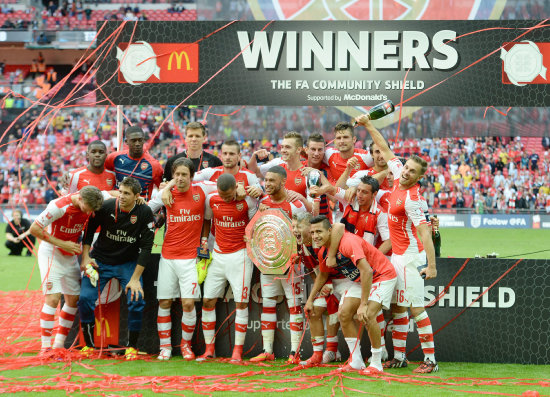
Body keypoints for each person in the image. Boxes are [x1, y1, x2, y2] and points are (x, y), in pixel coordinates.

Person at [356, 113, 439, 373]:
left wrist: (432, 266)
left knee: (416, 309)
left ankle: (431, 361)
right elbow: (384, 147)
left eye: (412, 171)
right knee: (398, 307)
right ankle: (400, 357)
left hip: (410, 258)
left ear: (418, 177)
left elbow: (425, 233)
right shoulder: (397, 173)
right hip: (397, 257)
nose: (405, 173)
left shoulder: (413, 199)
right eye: (406, 168)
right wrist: (369, 124)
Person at [306, 216, 397, 374]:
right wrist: (310, 300)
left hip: (382, 275)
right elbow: (322, 275)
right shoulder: (323, 251)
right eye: (312, 232)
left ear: (330, 231)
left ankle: (376, 363)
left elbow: (367, 270)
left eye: (319, 231)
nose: (315, 236)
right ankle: (356, 361)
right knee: (344, 313)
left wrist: (363, 304)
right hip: (362, 280)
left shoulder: (348, 242)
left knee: (367, 314)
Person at [79, 177, 154, 360]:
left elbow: (146, 248)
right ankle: (89, 346)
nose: (121, 196)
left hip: (127, 263)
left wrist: (135, 279)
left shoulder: (145, 212)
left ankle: (132, 347)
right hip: (100, 261)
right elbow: (88, 232)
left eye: (127, 193)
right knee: (84, 299)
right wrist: (86, 256)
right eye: (120, 191)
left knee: (136, 300)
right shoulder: (106, 207)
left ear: (137, 196)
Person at [148, 158, 216, 361]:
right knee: (165, 302)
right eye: (176, 174)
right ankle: (165, 348)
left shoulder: (203, 190)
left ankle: (186, 346)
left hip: (191, 258)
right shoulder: (166, 194)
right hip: (168, 255)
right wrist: (167, 188)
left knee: (188, 303)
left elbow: (207, 217)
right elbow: (148, 209)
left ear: (192, 176)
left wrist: (203, 241)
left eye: (184, 174)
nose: (180, 178)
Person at [29, 186, 105, 355]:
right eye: (88, 208)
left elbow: (111, 193)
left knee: (73, 299)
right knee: (53, 298)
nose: (90, 212)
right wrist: (62, 243)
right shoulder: (58, 206)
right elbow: (34, 229)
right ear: (80, 199)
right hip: (51, 252)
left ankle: (58, 346)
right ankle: (45, 348)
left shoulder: (91, 199)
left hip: (69, 254)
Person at [198, 173, 258, 362]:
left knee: (240, 303)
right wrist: (204, 241)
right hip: (217, 255)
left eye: (228, 195)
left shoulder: (247, 200)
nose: (225, 199)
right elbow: (207, 220)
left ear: (235, 189)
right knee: (208, 301)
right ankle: (209, 350)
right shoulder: (211, 199)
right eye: (222, 195)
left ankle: (237, 351)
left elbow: (254, 224)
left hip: (240, 256)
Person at [250, 165, 307, 363]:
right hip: (268, 264)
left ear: (283, 182)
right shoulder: (262, 202)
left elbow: (304, 233)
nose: (267, 184)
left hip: (291, 264)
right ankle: (268, 351)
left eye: (272, 181)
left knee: (294, 306)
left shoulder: (295, 205)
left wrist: (299, 254)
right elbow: (255, 231)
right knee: (267, 304)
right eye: (266, 180)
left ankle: (294, 353)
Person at [292, 212, 341, 366]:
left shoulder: (325, 242)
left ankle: (332, 350)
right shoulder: (303, 246)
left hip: (343, 282)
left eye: (298, 227)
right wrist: (320, 289)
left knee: (334, 307)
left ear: (309, 227)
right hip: (325, 282)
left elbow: (340, 266)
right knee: (313, 310)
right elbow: (314, 272)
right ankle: (317, 355)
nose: (295, 231)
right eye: (293, 227)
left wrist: (330, 285)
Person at [249, 132, 311, 210]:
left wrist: (302, 198)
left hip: (297, 220)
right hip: (277, 218)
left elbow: (314, 212)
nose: (283, 150)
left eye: (287, 147)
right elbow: (254, 172)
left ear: (298, 149)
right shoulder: (277, 164)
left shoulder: (308, 173)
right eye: (282, 147)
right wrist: (254, 157)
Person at [105, 126, 163, 201]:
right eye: (133, 140)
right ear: (126, 142)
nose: (137, 144)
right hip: (117, 207)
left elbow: (163, 190)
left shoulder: (154, 165)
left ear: (144, 140)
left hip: (140, 210)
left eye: (140, 140)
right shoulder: (114, 158)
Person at [193, 138, 262, 197]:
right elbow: (189, 178)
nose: (227, 157)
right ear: (221, 155)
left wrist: (258, 191)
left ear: (239, 156)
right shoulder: (210, 172)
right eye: (225, 153)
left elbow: (259, 192)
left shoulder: (249, 175)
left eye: (231, 154)